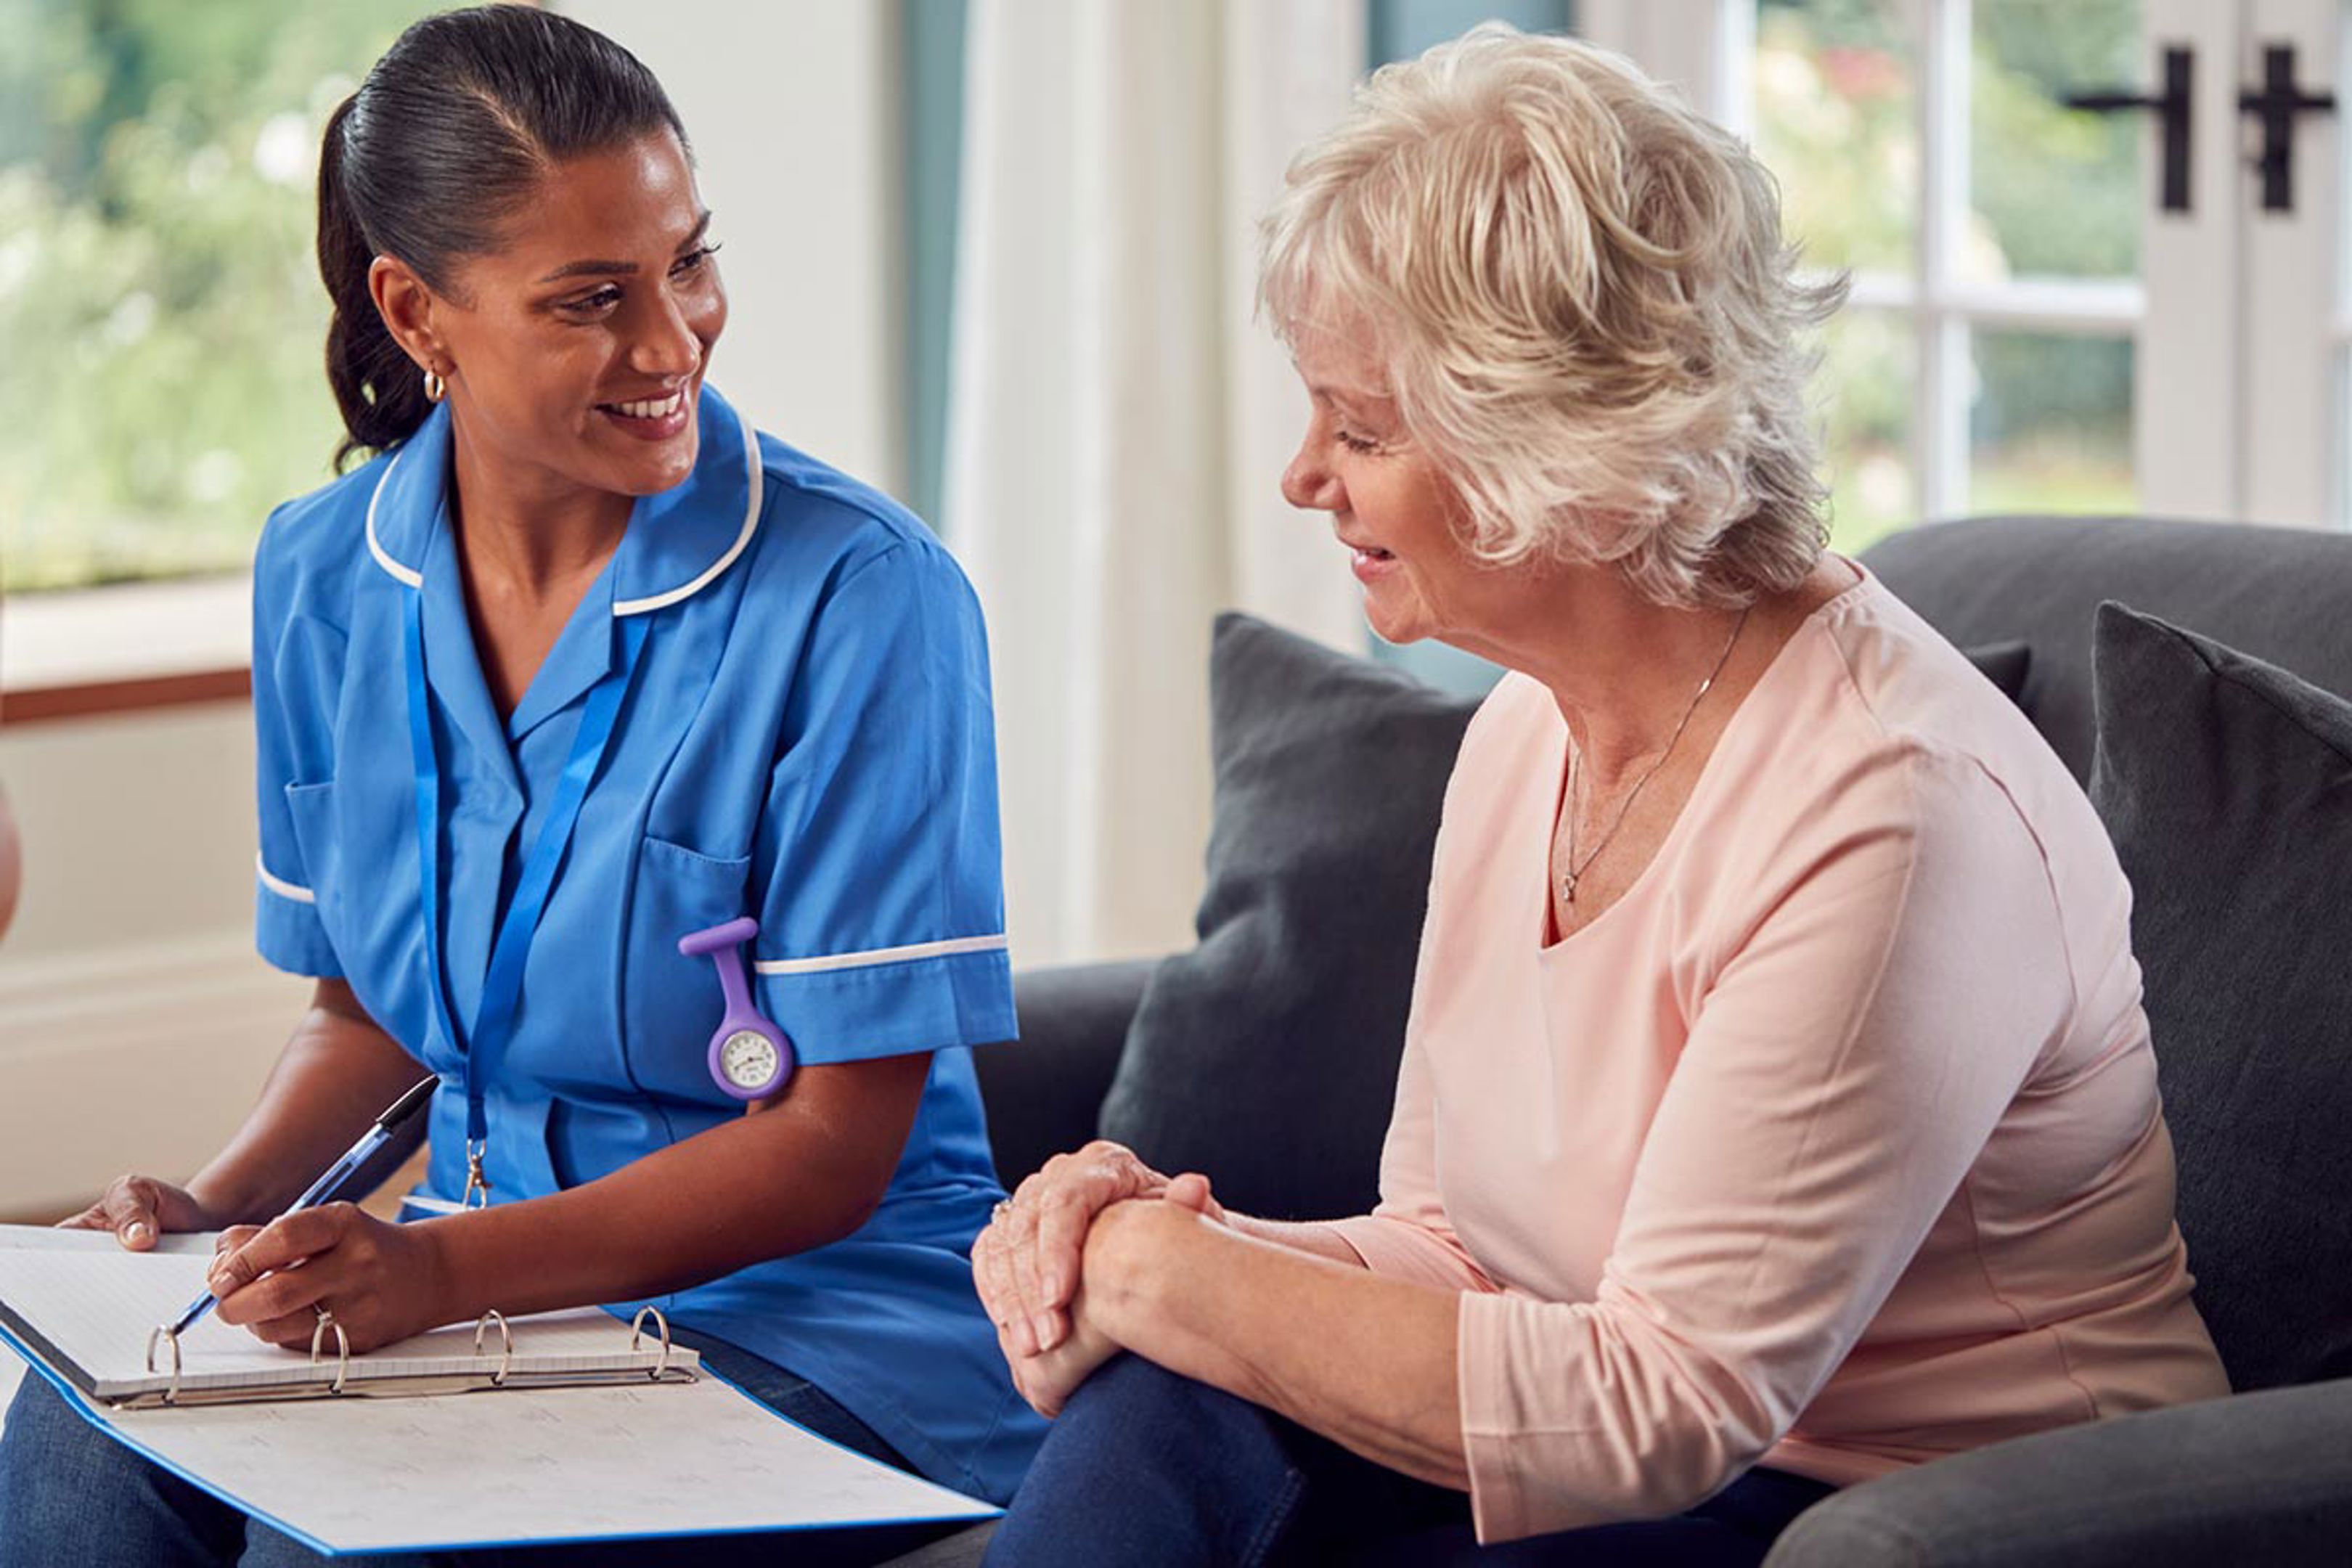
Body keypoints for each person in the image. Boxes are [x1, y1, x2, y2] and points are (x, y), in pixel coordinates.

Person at [972, 26, 2228, 1567]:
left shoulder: (1894, 815)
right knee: (1169, 1392)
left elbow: (1663, 1405)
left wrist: (1173, 1279)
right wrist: (1145, 1249)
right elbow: (1451, 1248)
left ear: (1570, 456)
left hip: (1913, 1507)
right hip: (1657, 1457)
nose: (1306, 477)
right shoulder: (1527, 734)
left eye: (1362, 429)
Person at [0, 8, 1042, 1564]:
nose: (673, 342)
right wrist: (211, 1223)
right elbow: (368, 1016)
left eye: (687, 263)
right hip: (482, 1293)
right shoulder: (321, 576)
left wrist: (437, 1275)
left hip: (821, 1328)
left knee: (339, 1541)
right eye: (592, 301)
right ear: (418, 310)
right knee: (73, 1452)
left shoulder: (866, 599)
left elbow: (834, 1144)